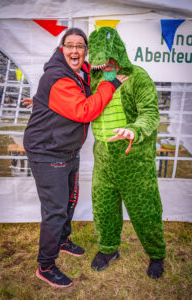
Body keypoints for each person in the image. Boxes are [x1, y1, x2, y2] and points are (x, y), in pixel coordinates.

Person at [23, 27, 128, 288]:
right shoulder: (59, 77)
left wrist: (39, 100)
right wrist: (111, 83)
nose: (75, 50)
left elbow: (78, 94)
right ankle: (46, 266)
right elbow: (84, 110)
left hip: (67, 150)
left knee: (70, 200)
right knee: (55, 211)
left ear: (85, 51)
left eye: (80, 46)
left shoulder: (79, 72)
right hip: (47, 152)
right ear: (62, 49)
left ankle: (62, 240)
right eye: (70, 45)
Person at [88, 25, 166, 279]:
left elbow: (150, 112)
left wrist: (134, 129)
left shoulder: (138, 77)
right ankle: (109, 249)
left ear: (118, 53)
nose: (104, 65)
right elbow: (82, 104)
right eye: (99, 61)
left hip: (134, 159)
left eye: (108, 59)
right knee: (104, 207)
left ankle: (156, 254)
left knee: (145, 209)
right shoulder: (95, 79)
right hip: (103, 158)